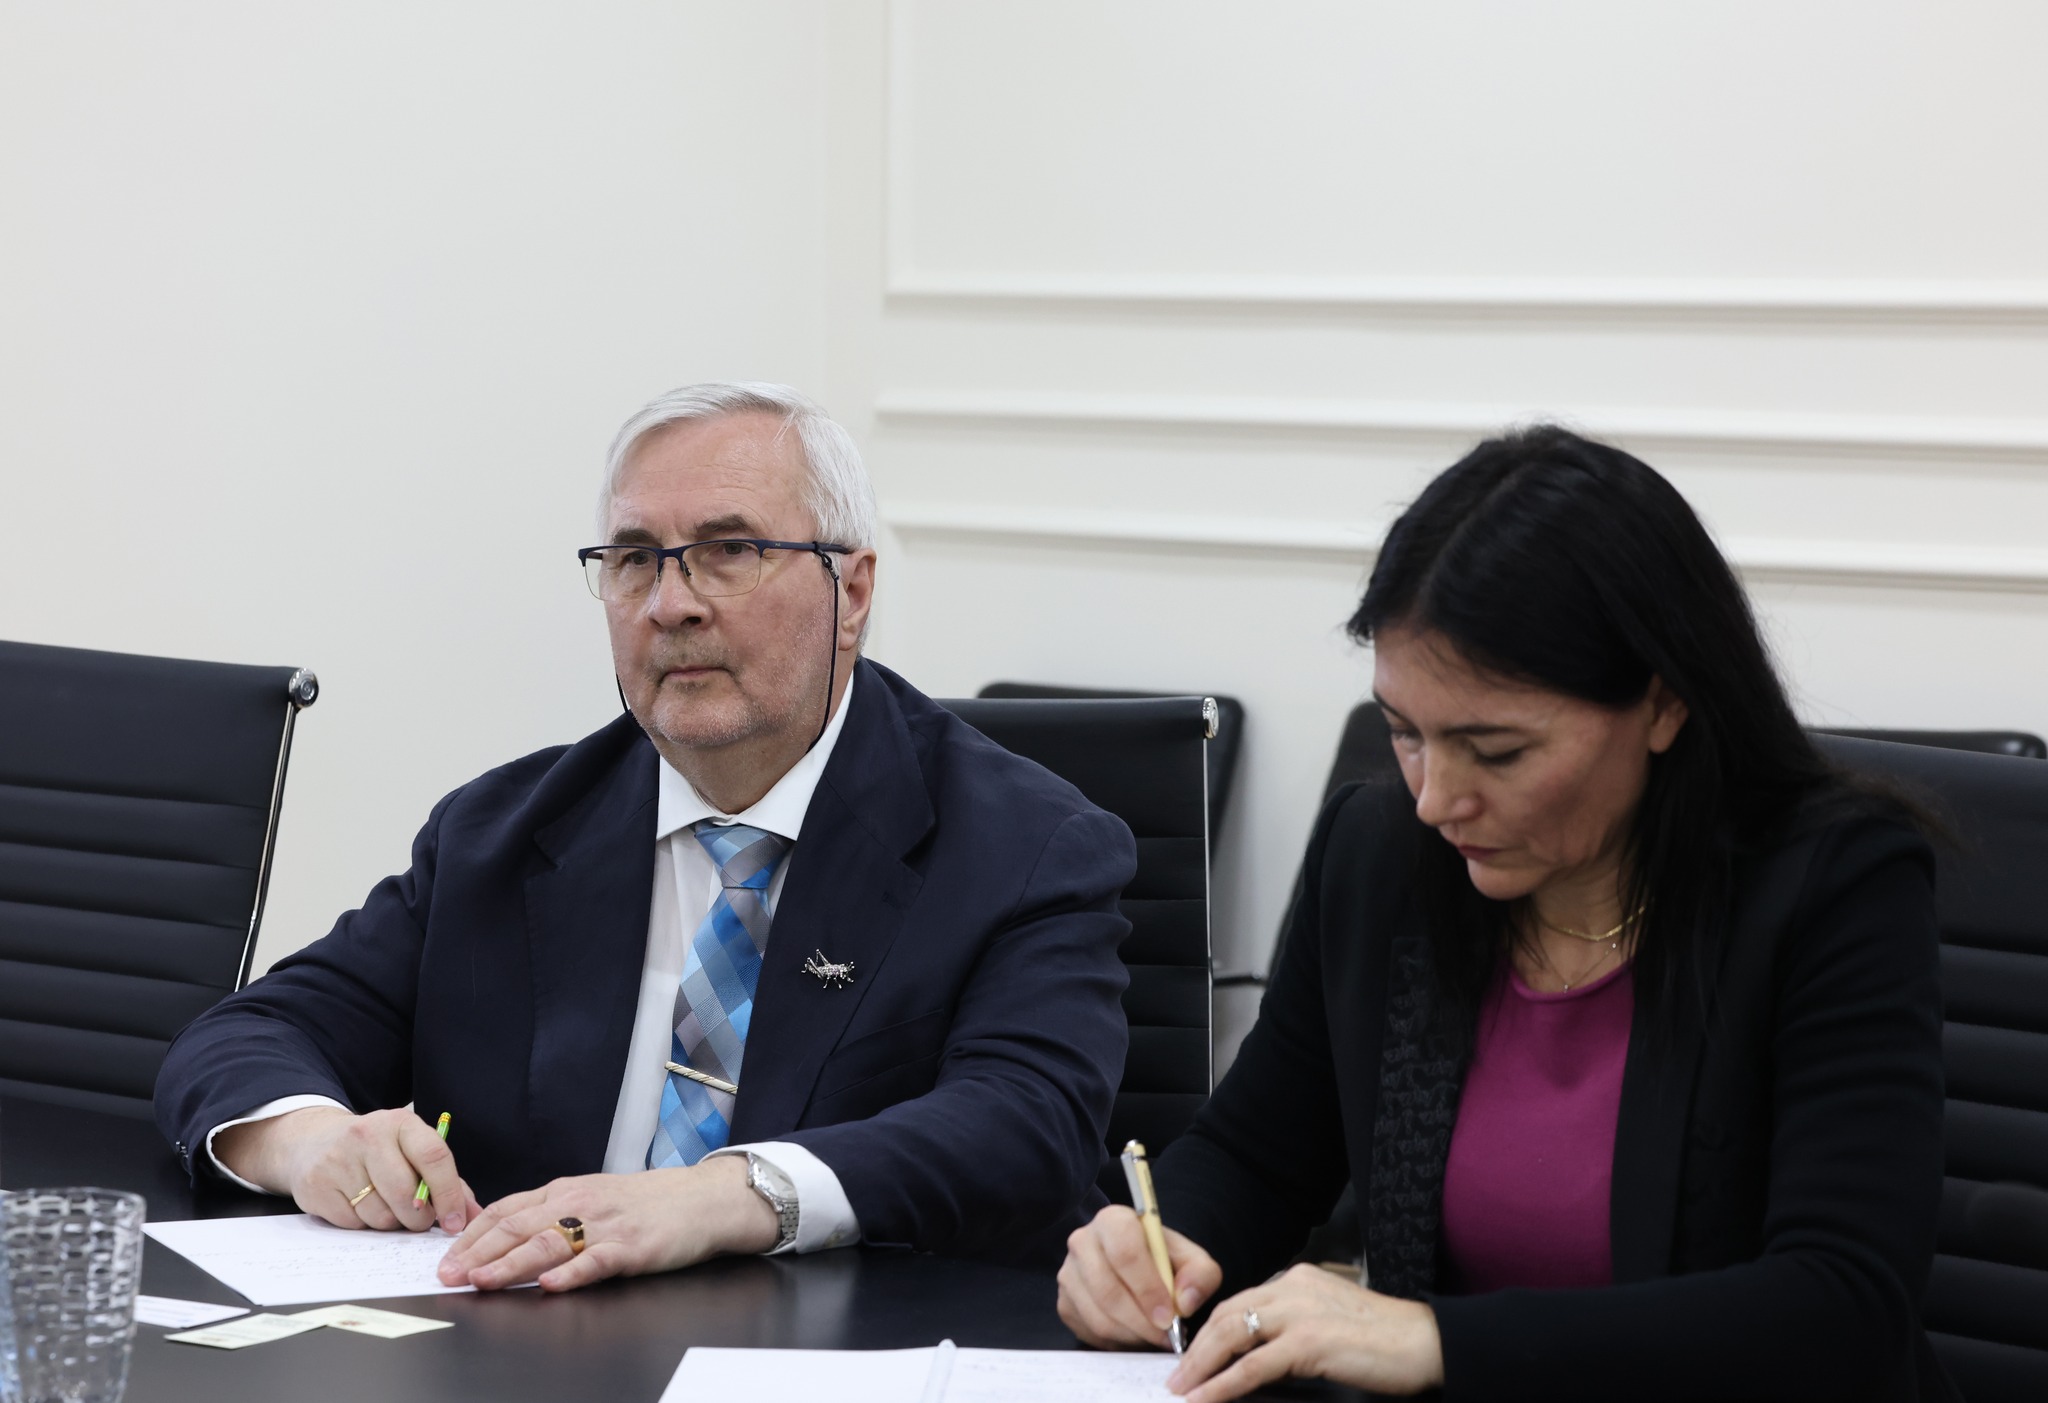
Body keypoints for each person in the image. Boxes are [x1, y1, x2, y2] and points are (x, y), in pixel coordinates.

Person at [155, 382, 1136, 1289]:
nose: (672, 603)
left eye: (730, 550)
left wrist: (724, 1193)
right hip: (527, 1354)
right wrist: (316, 1140)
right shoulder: (503, 832)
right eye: (634, 559)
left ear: (854, 592)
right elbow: (249, 1034)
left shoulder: (1025, 846)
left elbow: (1029, 1122)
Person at [1057, 426, 1953, 1401]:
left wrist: (1435, 1339)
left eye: (1495, 751)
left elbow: (1840, 1305)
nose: (1437, 798)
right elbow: (1256, 1155)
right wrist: (1161, 1246)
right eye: (1405, 733)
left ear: (1663, 704)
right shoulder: (1379, 856)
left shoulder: (1832, 883)